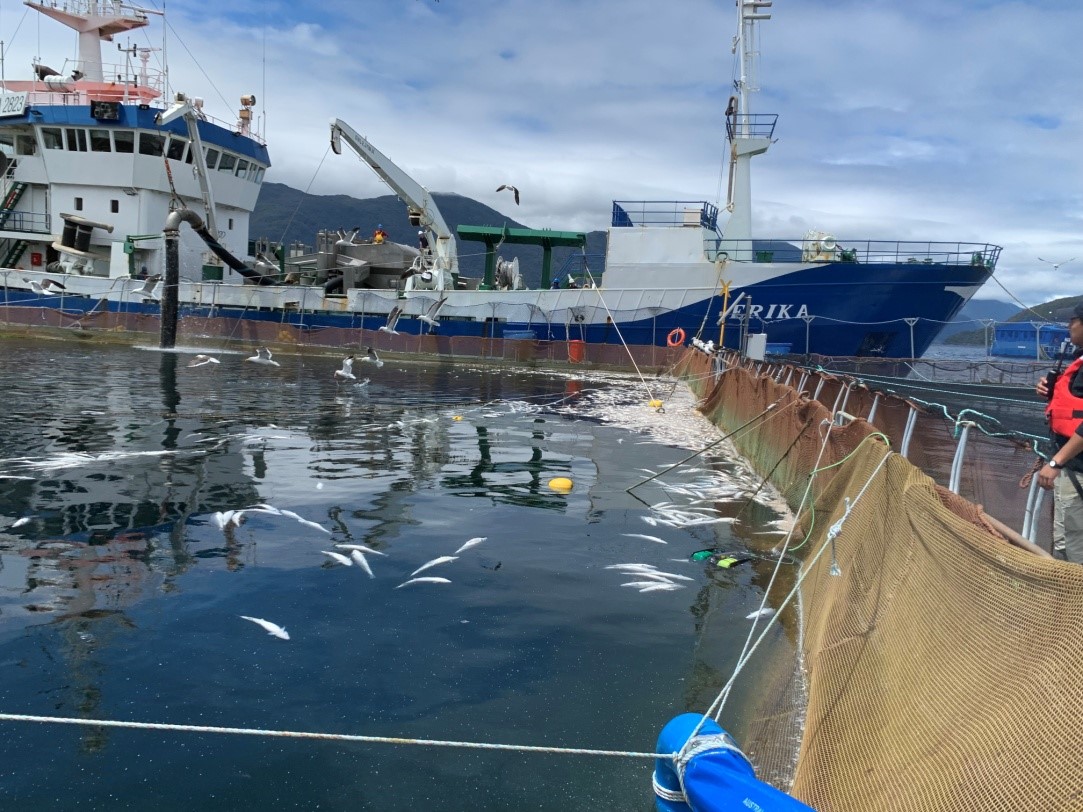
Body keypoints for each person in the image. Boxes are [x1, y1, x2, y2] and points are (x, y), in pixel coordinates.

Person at [1036, 303, 1083, 563]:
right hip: (1070, 468)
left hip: (1077, 471)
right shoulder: (1078, 357)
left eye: (1073, 319)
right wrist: (1050, 391)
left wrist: (1055, 462)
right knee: (1065, 542)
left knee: (1077, 549)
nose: (1069, 325)